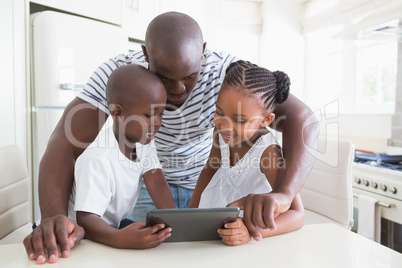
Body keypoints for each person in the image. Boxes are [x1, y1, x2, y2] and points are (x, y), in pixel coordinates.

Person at [24, 11, 319, 263]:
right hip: (143, 189)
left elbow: (304, 119)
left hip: (205, 191)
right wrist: (51, 214)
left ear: (203, 52)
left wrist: (283, 194)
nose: (178, 89)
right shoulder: (121, 74)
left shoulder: (228, 76)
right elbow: (64, 142)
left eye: (190, 76)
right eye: (165, 77)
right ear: (145, 55)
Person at [189, 61, 304, 245]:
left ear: (266, 120)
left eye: (240, 121)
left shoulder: (267, 152)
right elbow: (210, 168)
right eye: (219, 113)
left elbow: (297, 214)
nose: (225, 126)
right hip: (220, 214)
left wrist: (251, 232)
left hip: (250, 231)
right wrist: (191, 213)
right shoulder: (221, 133)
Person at [68, 65, 175, 253]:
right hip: (82, 230)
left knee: (154, 239)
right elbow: (85, 219)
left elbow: (156, 180)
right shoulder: (99, 159)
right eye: (149, 115)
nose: (158, 122)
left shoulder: (143, 142)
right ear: (118, 113)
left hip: (110, 223)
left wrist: (176, 223)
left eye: (161, 113)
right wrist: (119, 238)